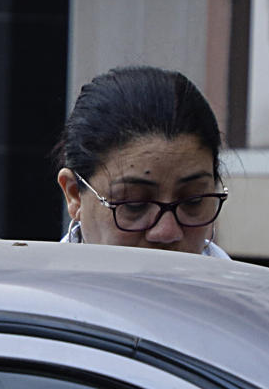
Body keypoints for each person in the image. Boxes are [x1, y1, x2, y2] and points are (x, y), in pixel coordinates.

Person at [53, 65, 230, 257]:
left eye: (193, 201)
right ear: (74, 195)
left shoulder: (244, 287)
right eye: (134, 204)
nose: (167, 232)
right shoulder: (37, 286)